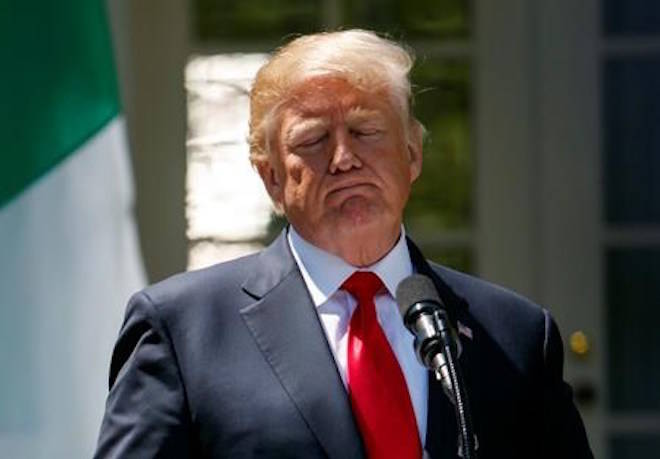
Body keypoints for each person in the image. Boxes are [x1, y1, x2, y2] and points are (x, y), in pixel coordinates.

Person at [94, 29, 593, 458]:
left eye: (366, 131)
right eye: (313, 140)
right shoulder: (184, 331)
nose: (344, 158)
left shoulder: (515, 333)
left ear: (413, 154)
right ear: (271, 177)